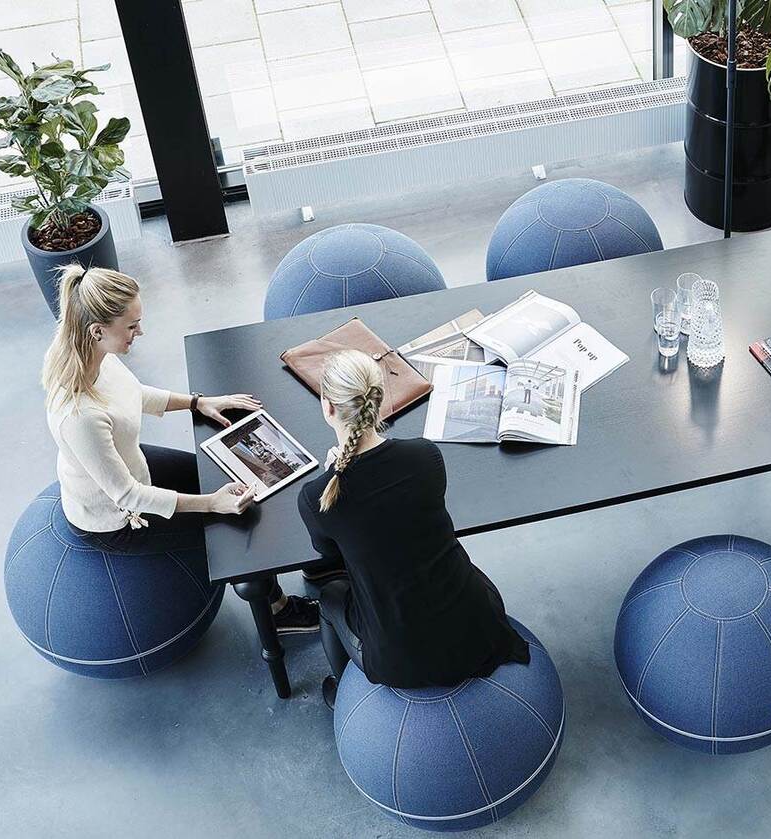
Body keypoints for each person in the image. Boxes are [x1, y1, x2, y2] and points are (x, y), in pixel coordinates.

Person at [42, 264, 319, 633]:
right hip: (116, 517)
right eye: (132, 326)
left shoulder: (91, 351)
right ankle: (279, 611)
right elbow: (128, 495)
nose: (140, 332)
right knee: (232, 524)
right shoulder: (79, 416)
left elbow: (131, 393)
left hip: (129, 465)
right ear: (97, 331)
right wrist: (212, 504)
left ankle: (311, 564)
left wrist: (197, 402)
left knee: (221, 476)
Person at [297, 349, 530, 709]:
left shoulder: (317, 496)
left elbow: (329, 555)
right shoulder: (425, 455)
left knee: (330, 595)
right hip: (477, 624)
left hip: (400, 659)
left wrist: (333, 472)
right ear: (379, 399)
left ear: (328, 407)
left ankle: (340, 692)